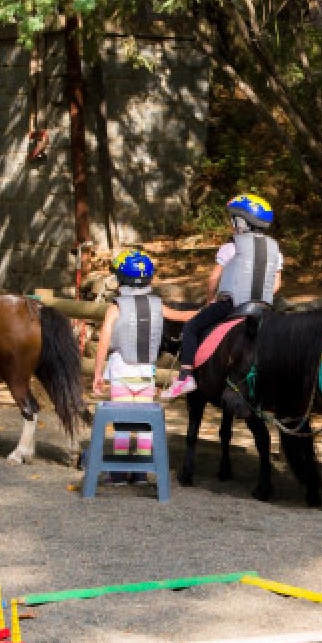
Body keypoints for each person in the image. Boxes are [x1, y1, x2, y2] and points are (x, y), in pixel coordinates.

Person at [162, 193, 283, 400]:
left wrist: (211, 300)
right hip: (263, 308)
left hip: (232, 306)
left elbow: (214, 278)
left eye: (233, 219)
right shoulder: (275, 250)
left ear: (241, 221)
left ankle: (185, 377)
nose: (232, 223)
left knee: (192, 327)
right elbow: (277, 283)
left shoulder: (231, 247)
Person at [91, 249, 195, 482]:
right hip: (146, 374)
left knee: (122, 424)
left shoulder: (115, 307)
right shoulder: (158, 305)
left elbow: (104, 342)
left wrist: (98, 373)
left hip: (120, 372)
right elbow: (184, 317)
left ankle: (118, 473)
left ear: (120, 279)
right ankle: (139, 472)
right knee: (145, 424)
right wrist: (207, 311)